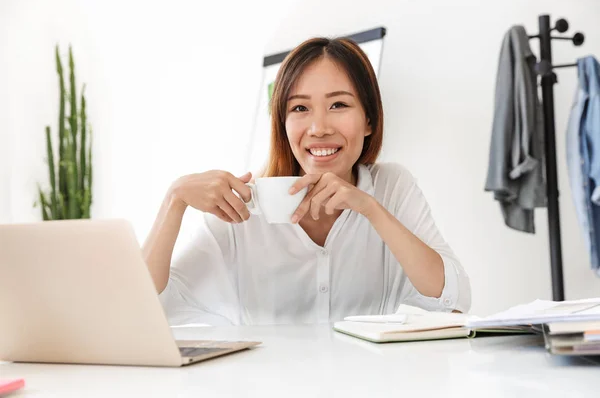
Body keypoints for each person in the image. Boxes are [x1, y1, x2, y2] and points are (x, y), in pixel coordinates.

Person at [142, 37, 471, 326]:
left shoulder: (392, 186)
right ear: (283, 123)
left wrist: (370, 209)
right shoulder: (243, 205)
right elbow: (147, 308)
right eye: (300, 107)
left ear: (369, 119)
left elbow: (453, 299)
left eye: (338, 104)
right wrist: (175, 200)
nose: (319, 127)